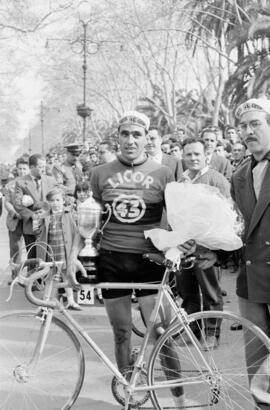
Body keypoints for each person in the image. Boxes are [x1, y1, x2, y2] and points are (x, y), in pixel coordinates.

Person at [86, 110, 198, 407]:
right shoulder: (99, 173)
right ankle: (128, 393)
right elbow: (95, 214)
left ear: (147, 139)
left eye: (137, 134)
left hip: (150, 258)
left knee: (162, 333)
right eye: (125, 134)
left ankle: (180, 400)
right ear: (118, 137)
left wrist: (182, 244)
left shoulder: (162, 173)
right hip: (111, 259)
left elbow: (178, 216)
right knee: (121, 332)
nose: (131, 140)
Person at [231, 97, 270, 409]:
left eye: (256, 123)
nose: (248, 131)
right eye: (243, 126)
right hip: (250, 278)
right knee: (257, 355)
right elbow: (239, 224)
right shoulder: (240, 175)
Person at [177, 138, 231, 350]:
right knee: (187, 291)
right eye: (188, 154)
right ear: (183, 156)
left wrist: (218, 248)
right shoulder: (182, 181)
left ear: (205, 154)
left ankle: (212, 334)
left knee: (210, 292)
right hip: (184, 246)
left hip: (207, 247)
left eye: (197, 154)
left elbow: (229, 215)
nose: (193, 158)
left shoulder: (216, 179)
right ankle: (192, 331)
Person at [37, 188, 86, 310]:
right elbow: (39, 233)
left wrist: (76, 251)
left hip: (65, 251)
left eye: (58, 200)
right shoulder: (45, 216)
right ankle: (45, 303)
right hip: (52, 252)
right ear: (48, 202)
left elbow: (76, 233)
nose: (55, 203)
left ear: (63, 201)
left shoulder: (69, 214)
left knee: (67, 276)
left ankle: (70, 301)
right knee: (49, 278)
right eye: (52, 200)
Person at [14, 153, 58, 265]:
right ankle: (32, 280)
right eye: (40, 167)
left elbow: (57, 197)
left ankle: (46, 280)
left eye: (44, 166)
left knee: (48, 253)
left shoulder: (51, 180)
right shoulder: (21, 182)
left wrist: (47, 211)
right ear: (32, 167)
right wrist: (32, 215)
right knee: (32, 255)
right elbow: (18, 204)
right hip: (30, 226)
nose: (43, 169)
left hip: (48, 224)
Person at [4, 157, 29, 282]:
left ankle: (32, 276)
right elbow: (7, 202)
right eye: (20, 169)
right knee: (15, 249)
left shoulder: (32, 183)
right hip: (15, 220)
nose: (22, 171)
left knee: (32, 247)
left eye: (25, 169)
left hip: (30, 220)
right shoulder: (10, 185)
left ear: (29, 169)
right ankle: (15, 276)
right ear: (16, 169)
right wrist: (14, 212)